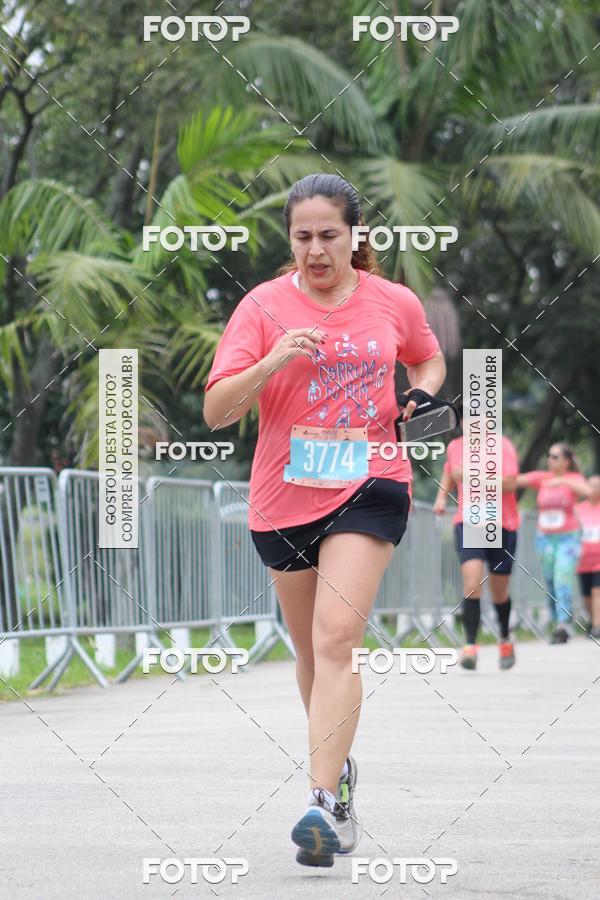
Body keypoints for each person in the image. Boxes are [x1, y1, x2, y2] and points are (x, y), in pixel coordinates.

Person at [203, 173, 446, 868]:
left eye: (328, 236)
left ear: (355, 236)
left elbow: (426, 356)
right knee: (310, 653)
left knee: (337, 638)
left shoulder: (391, 301)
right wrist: (274, 361)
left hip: (371, 483)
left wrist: (419, 396)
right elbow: (217, 410)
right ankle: (338, 773)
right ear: (290, 238)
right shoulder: (261, 306)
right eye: (302, 236)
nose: (315, 250)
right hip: (282, 496)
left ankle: (320, 801)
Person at [433, 431, 520, 671]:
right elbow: (450, 471)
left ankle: (504, 637)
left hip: (501, 523)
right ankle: (470, 646)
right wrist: (441, 498)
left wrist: (474, 477)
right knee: (472, 583)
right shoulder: (455, 446)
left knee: (499, 591)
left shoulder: (502, 445)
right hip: (469, 522)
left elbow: (511, 483)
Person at [515, 444, 590, 643]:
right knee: (550, 581)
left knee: (562, 577)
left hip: (568, 537)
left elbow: (587, 491)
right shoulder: (542, 478)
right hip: (545, 538)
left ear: (566, 460)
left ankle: (563, 624)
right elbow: (517, 480)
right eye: (549, 456)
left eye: (555, 456)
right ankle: (558, 620)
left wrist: (562, 481)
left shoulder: (574, 479)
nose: (550, 459)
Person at [575, 475, 600, 640]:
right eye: (590, 485)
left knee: (597, 591)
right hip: (582, 560)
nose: (593, 489)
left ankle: (597, 626)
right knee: (587, 596)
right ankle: (592, 621)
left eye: (597, 486)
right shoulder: (577, 509)